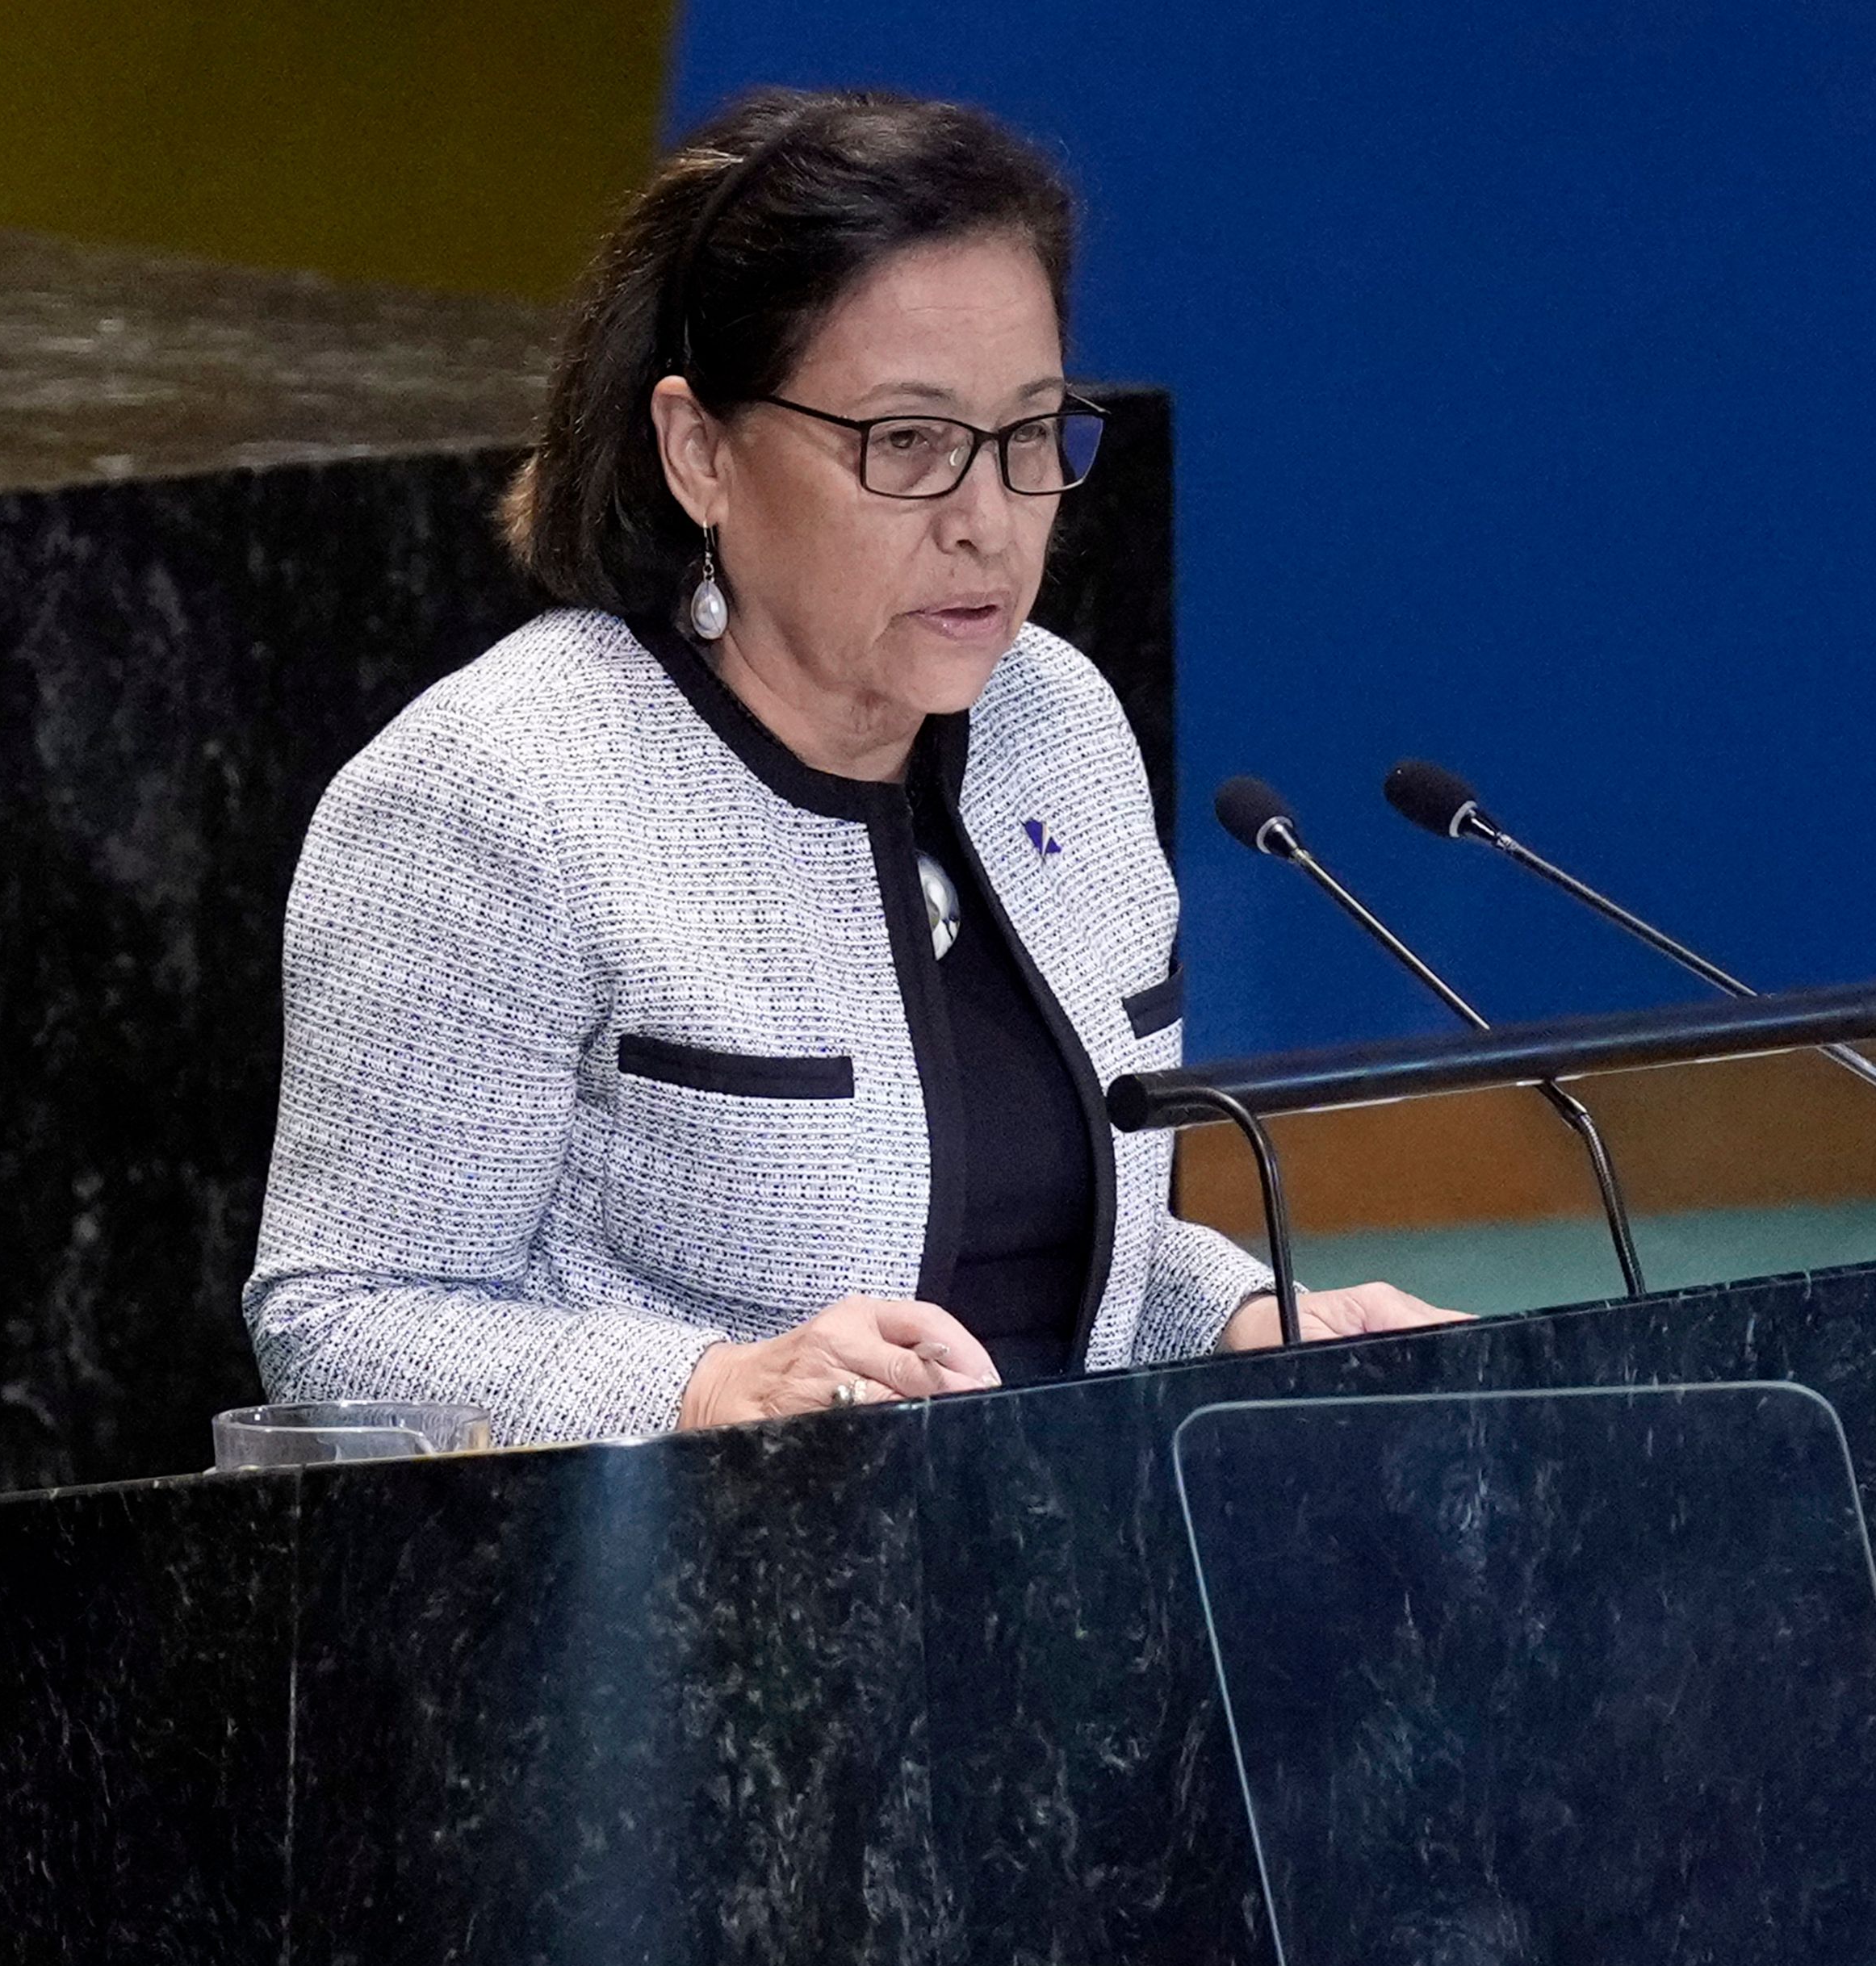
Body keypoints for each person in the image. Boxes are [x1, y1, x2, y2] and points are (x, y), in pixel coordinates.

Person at [244, 87, 1461, 1444]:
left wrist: (1248, 1314)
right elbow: (344, 1314)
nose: (987, 522)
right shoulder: (496, 796)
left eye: (1030, 435)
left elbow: (1063, 1243)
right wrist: (711, 1388)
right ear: (700, 451)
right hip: (683, 1604)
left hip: (1067, 1567)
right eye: (910, 444)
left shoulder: (1056, 723)